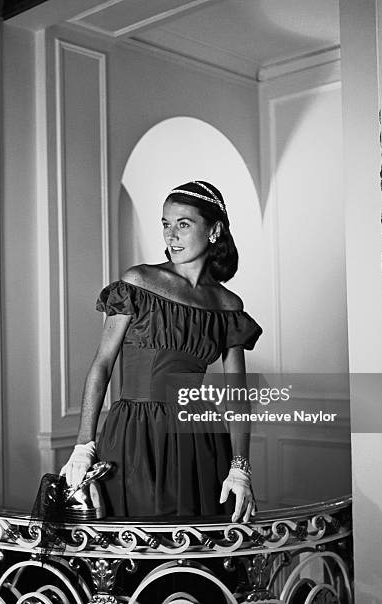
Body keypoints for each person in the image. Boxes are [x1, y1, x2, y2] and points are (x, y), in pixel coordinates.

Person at [60, 181, 262, 521]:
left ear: (214, 230)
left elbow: (237, 395)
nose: (171, 235)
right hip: (136, 433)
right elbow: (102, 365)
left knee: (195, 545)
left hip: (200, 439)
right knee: (136, 542)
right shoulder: (138, 282)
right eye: (166, 224)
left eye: (183, 224)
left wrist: (240, 466)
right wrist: (83, 445)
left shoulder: (228, 306)